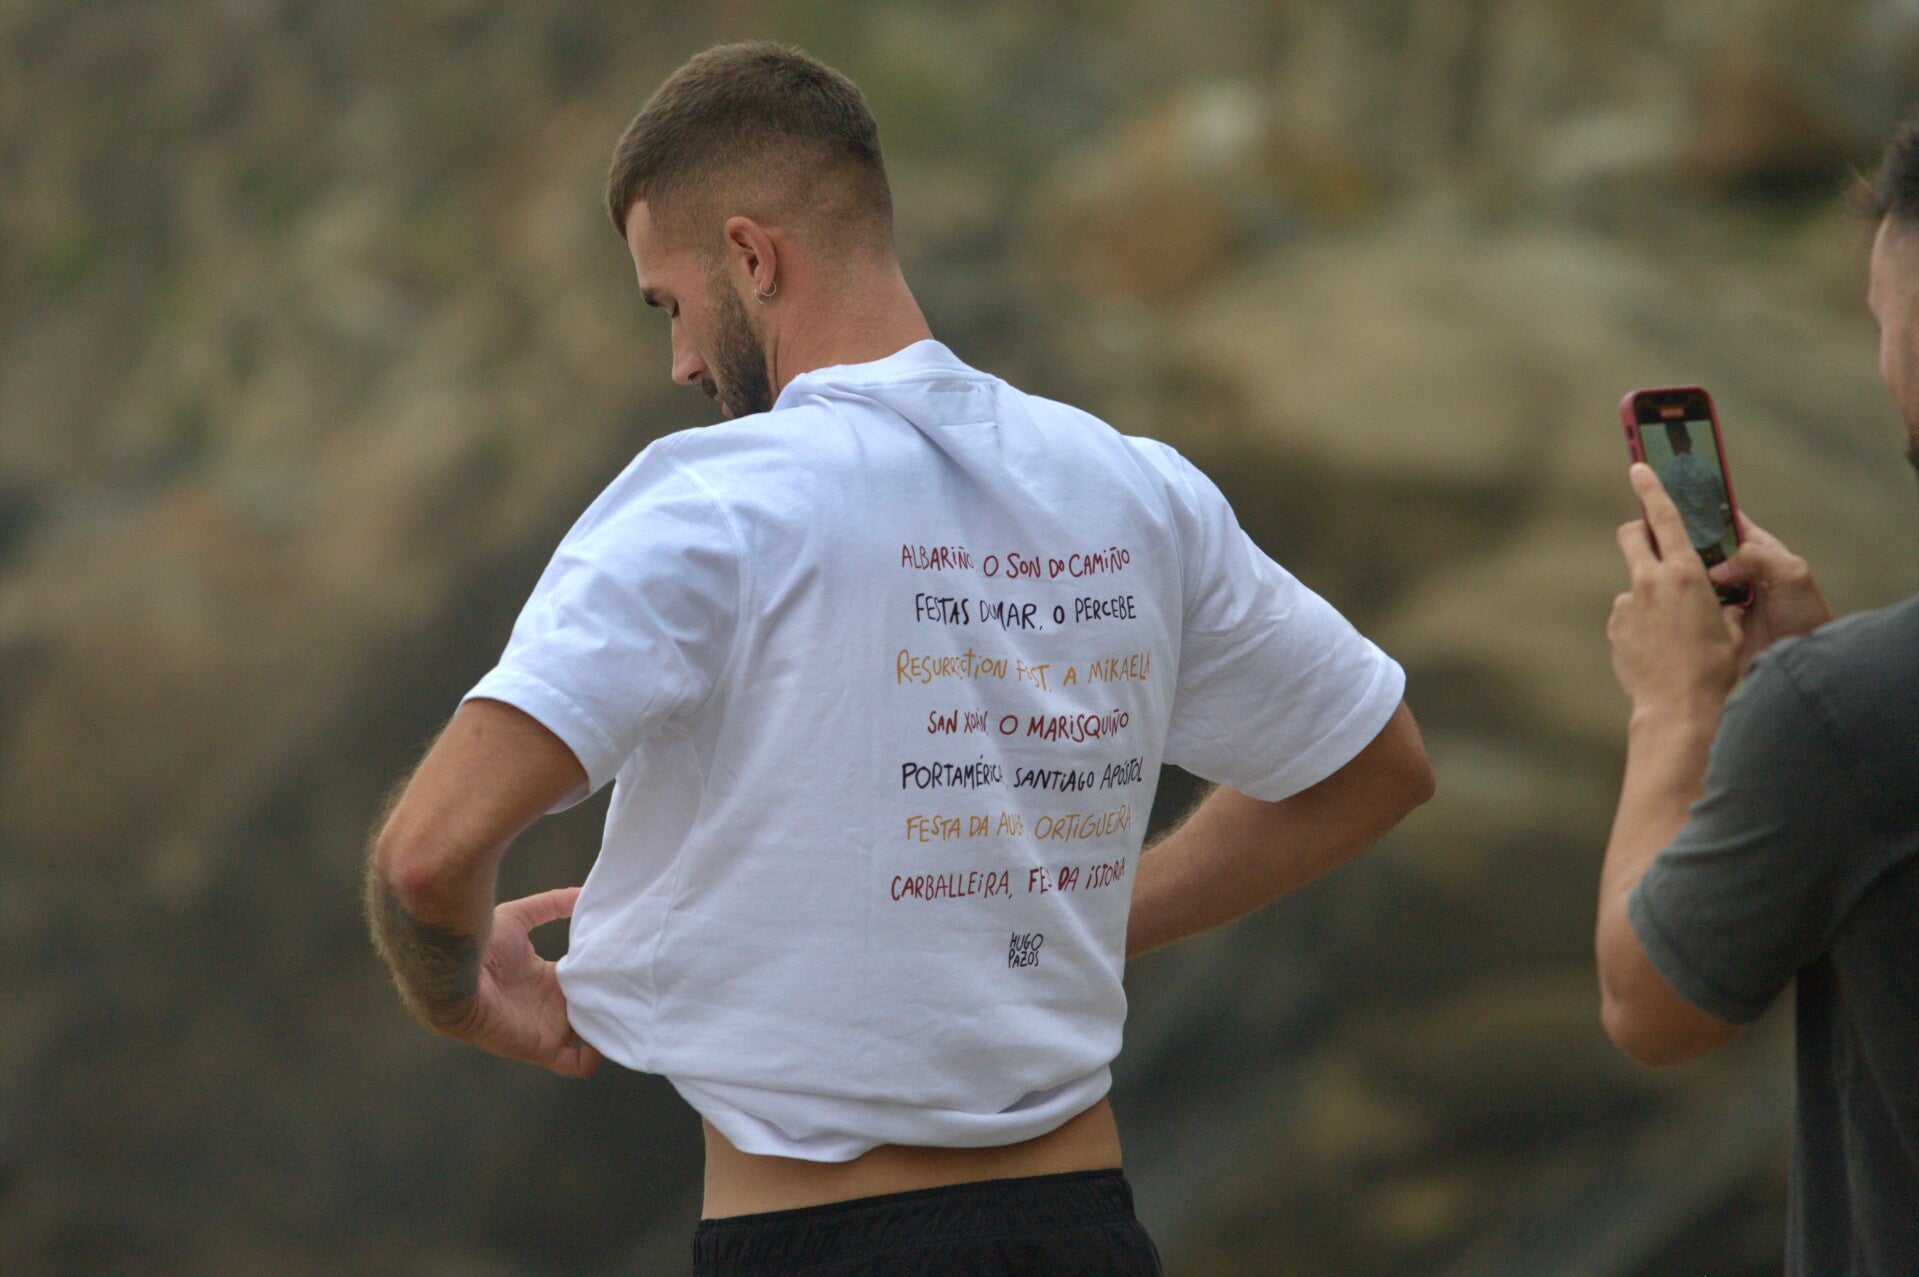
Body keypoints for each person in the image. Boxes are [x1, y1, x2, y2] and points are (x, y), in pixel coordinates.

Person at [365, 41, 1433, 1276]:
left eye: (669, 304)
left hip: (817, 1244)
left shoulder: (711, 506)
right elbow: (1373, 764)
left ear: (751, 257)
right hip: (1086, 1234)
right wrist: (1070, 915)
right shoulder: (1133, 489)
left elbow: (427, 854)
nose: (680, 361)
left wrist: (456, 989)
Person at [1597, 118, 1919, 1274]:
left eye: (1883, 323)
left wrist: (1674, 706)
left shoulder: (1846, 714)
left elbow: (1648, 1001)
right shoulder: (1852, 719)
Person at [1653, 421, 1732, 559]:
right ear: (1690, 440)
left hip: (1687, 556)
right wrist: (1714, 520)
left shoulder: (1664, 477)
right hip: (1717, 553)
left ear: (1671, 442)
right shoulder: (1710, 472)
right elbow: (1730, 509)